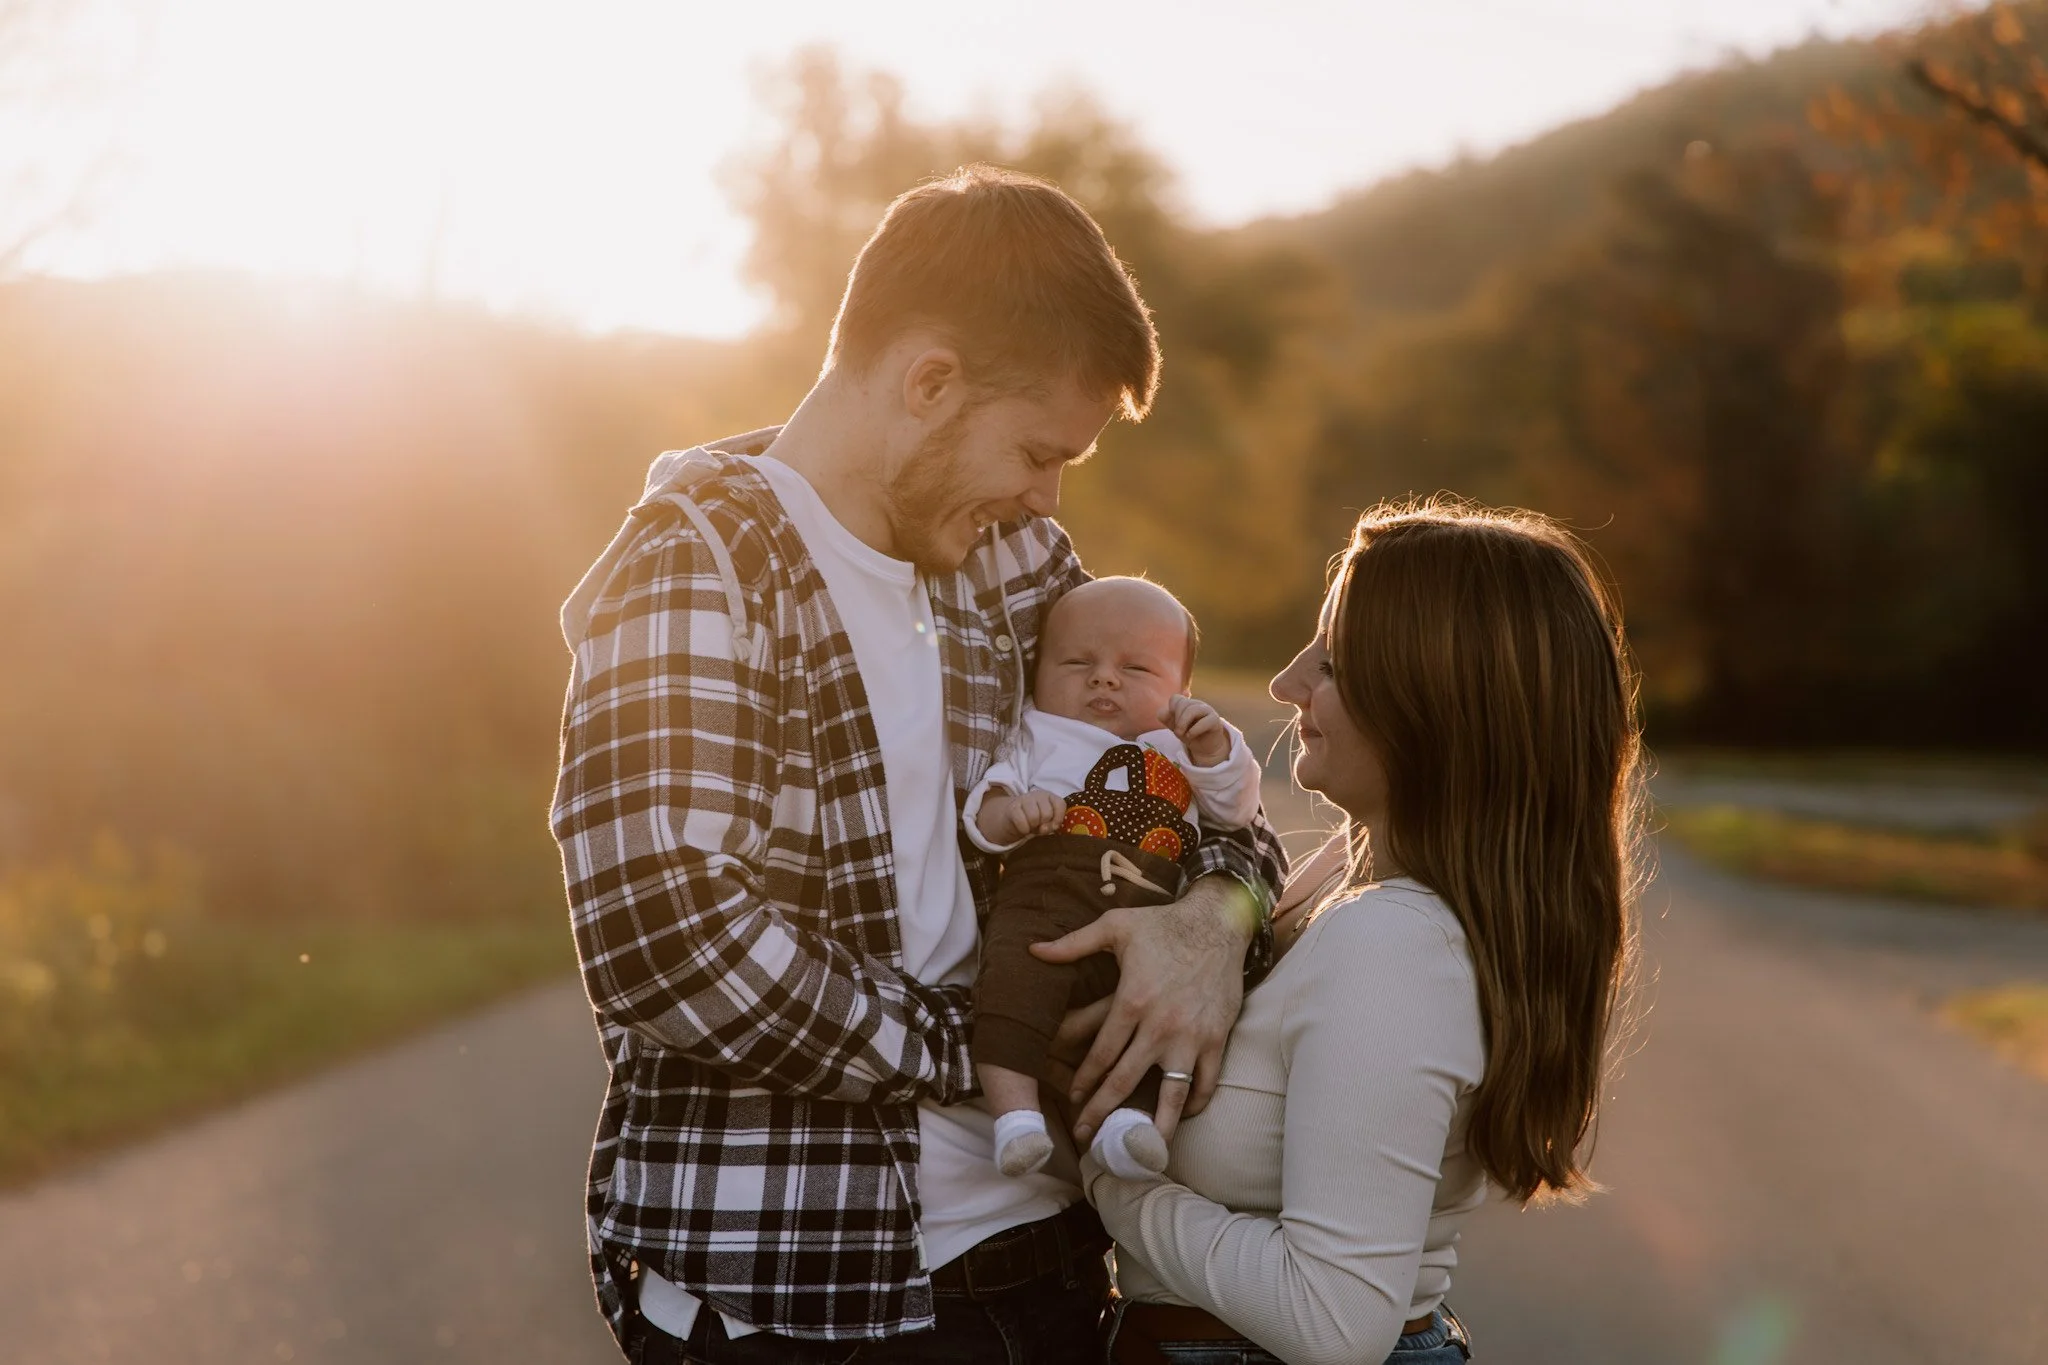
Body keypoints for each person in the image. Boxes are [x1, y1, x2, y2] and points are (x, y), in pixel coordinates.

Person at [550, 164, 1287, 1364]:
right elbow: (663, 936)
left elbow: (1167, 769)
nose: (1048, 497)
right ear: (928, 380)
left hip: (1048, 1256)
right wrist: (984, 1037)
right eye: (1036, 451)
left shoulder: (1014, 564)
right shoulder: (698, 568)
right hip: (803, 1296)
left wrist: (1218, 907)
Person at [1065, 502, 1644, 1365]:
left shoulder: (1395, 945)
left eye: (1331, 662)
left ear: (1438, 703)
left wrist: (1113, 1183)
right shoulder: (1344, 876)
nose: (1286, 683)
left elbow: (1335, 1323)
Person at [962, 576, 1264, 1182]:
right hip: (1044, 899)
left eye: (1136, 668)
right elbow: (984, 807)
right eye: (1077, 662)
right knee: (1010, 990)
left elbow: (1236, 812)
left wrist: (1212, 751)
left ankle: (1129, 1126)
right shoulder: (1037, 732)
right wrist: (1012, 814)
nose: (1103, 678)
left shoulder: (1181, 745)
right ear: (1038, 672)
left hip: (1151, 916)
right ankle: (1016, 1116)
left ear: (1180, 690)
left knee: (1143, 1013)